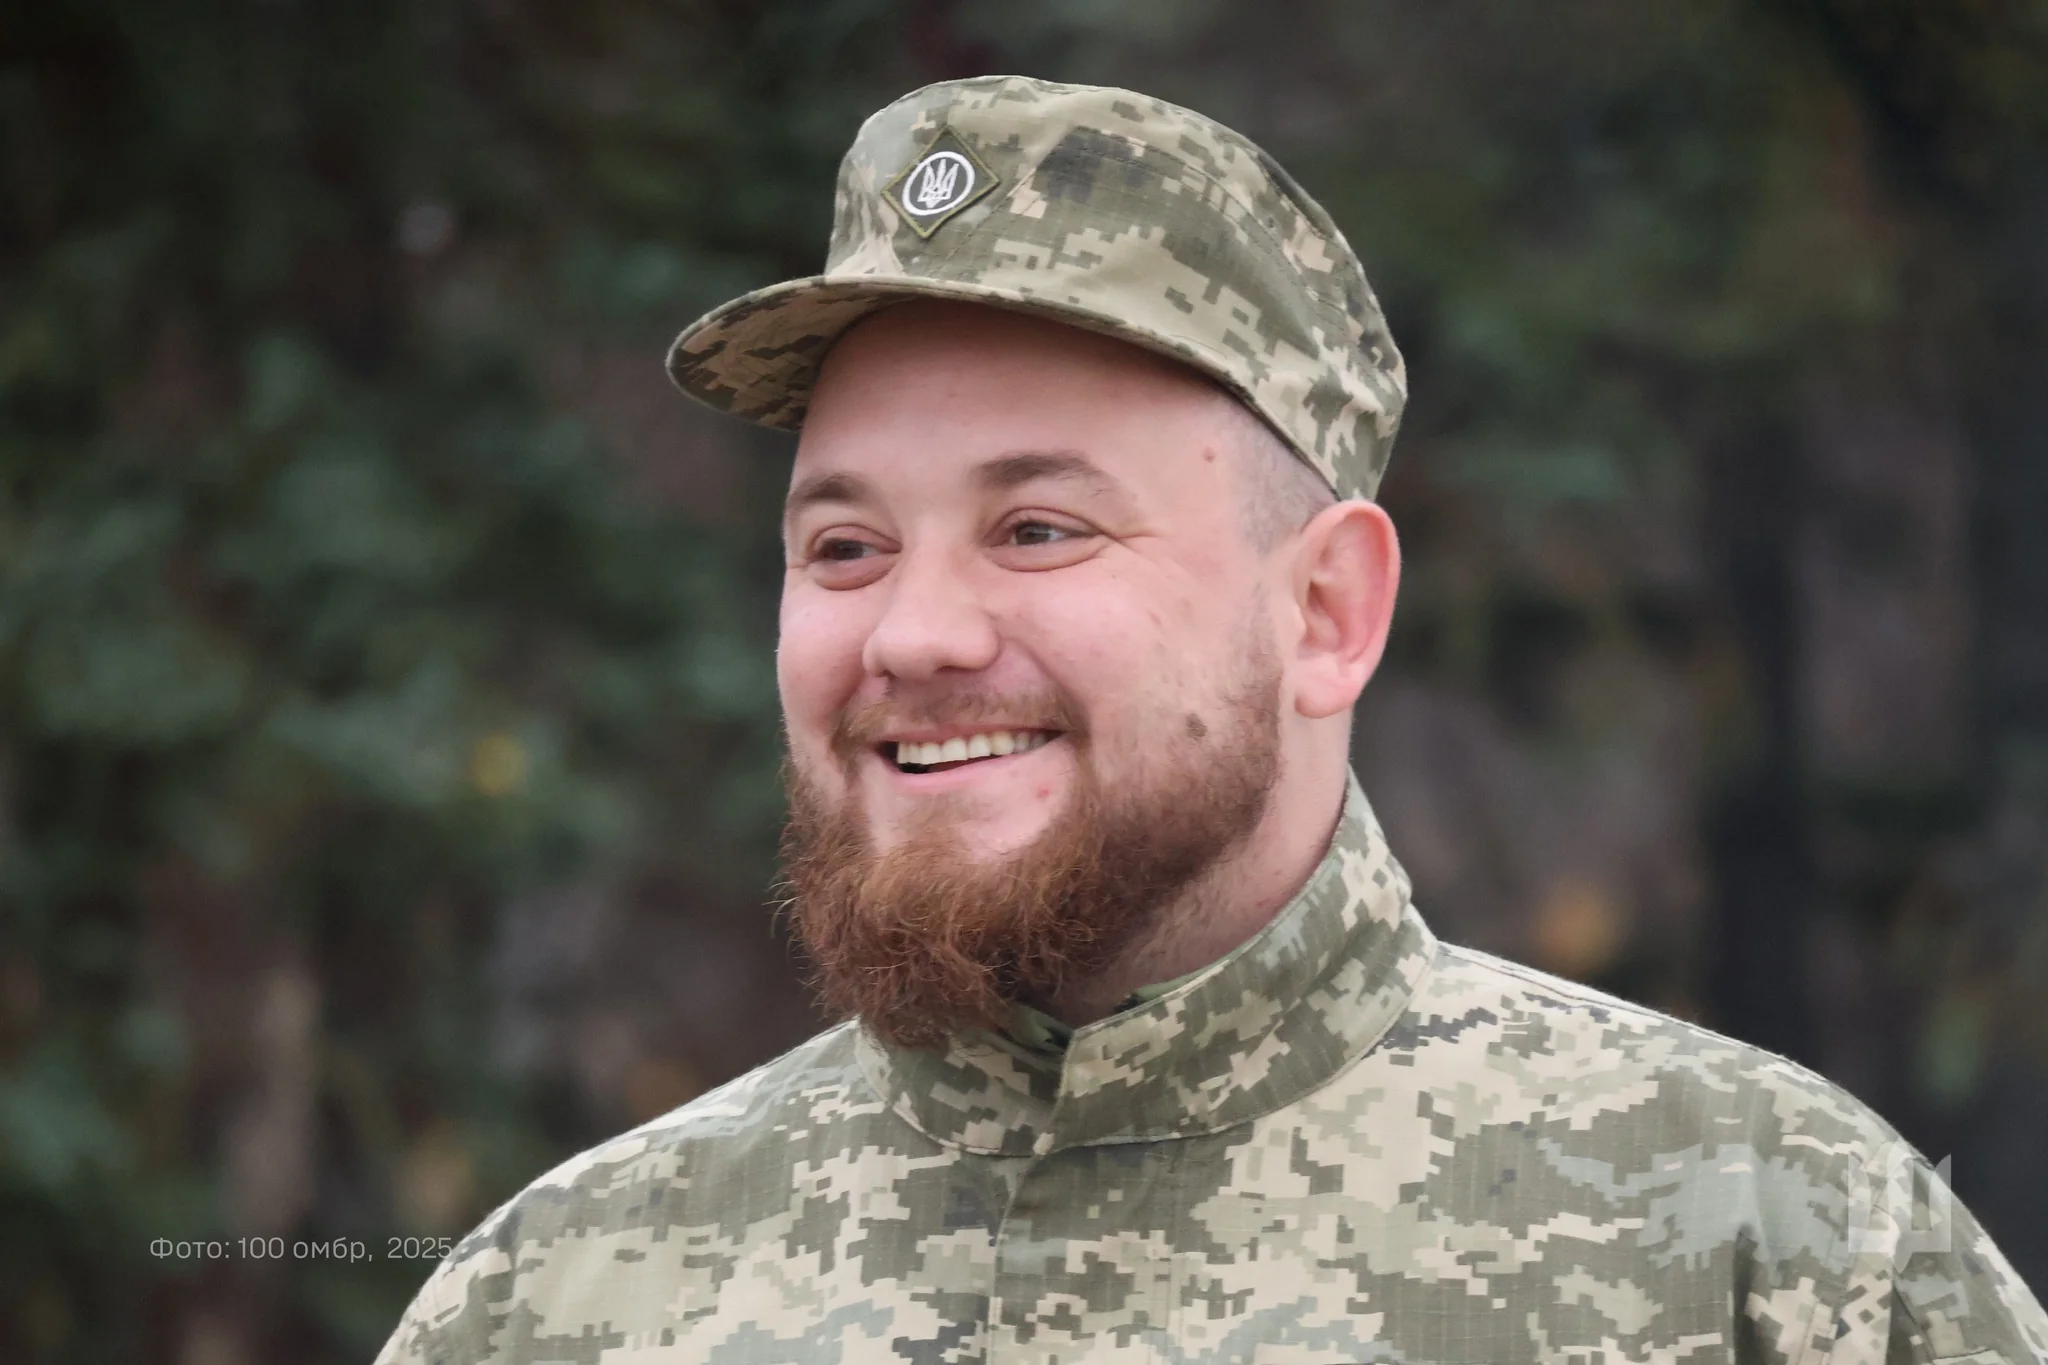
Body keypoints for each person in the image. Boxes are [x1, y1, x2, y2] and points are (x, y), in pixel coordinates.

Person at [376, 75, 2046, 1365]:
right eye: (845, 548)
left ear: (1326, 614)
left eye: (1040, 528)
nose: (916, 633)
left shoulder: (1776, 1249)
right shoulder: (558, 1302)